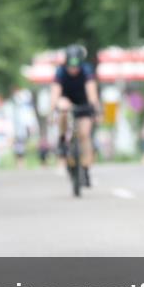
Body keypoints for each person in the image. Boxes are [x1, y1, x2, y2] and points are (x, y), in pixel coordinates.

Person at [50, 44, 101, 186]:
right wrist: (52, 110)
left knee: (85, 134)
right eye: (70, 65)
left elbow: (92, 93)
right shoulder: (60, 71)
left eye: (76, 65)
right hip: (66, 100)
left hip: (83, 101)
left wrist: (95, 109)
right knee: (63, 107)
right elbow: (55, 93)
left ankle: (85, 169)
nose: (73, 69)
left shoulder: (86, 70)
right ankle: (62, 138)